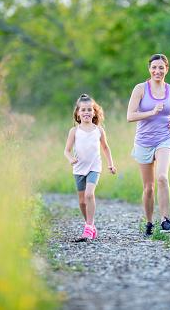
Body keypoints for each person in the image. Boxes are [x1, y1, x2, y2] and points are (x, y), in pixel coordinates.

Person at [127, 54, 170, 237]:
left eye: (161, 68)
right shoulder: (140, 89)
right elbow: (130, 116)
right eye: (154, 68)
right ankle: (149, 222)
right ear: (149, 69)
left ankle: (165, 220)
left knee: (162, 178)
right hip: (144, 141)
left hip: (165, 138)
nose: (157, 71)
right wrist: (151, 112)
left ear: (166, 69)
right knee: (148, 188)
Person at [64, 94, 117, 239]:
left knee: (89, 194)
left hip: (94, 166)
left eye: (89, 110)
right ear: (77, 113)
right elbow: (66, 150)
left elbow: (105, 148)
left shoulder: (98, 130)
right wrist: (70, 159)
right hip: (79, 168)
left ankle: (89, 227)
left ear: (94, 112)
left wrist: (110, 164)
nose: (86, 112)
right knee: (82, 201)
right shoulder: (74, 131)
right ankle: (89, 223)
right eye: (83, 110)